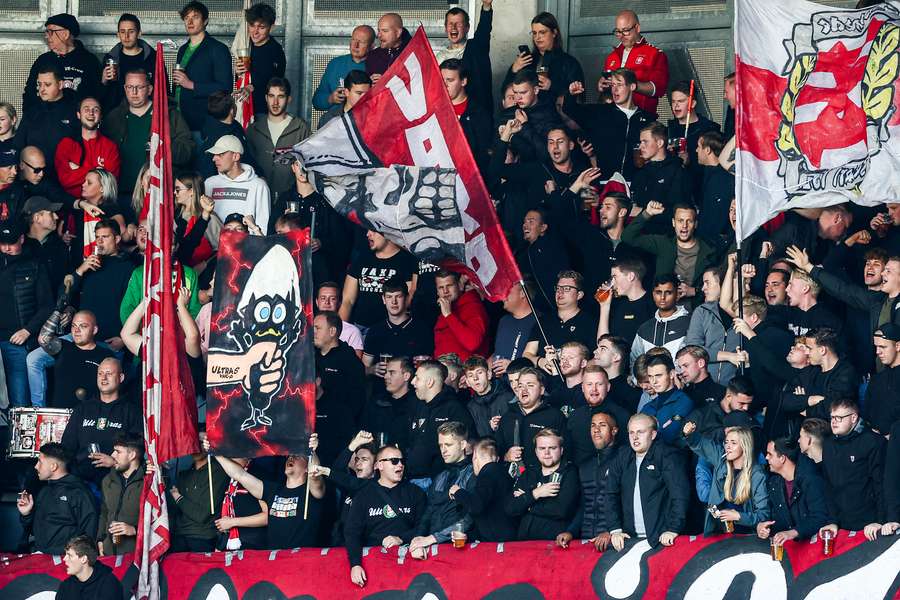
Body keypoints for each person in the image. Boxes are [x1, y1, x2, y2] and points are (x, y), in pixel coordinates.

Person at [211, 435, 326, 550]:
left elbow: (315, 474)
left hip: (301, 560)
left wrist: (312, 451)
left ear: (307, 467)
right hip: (274, 560)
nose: (291, 458)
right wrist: (215, 453)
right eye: (290, 456)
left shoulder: (311, 492)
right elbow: (239, 475)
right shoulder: (273, 490)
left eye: (297, 456)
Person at [344, 445, 427, 588]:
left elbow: (425, 526)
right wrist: (355, 564)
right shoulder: (364, 495)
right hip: (373, 568)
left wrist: (401, 538)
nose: (400, 465)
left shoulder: (415, 493)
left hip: (409, 566)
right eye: (394, 461)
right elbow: (352, 532)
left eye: (402, 461)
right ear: (379, 465)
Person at [606, 414, 688, 549]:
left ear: (653, 434)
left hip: (662, 539)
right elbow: (610, 494)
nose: (635, 437)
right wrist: (615, 529)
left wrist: (673, 529)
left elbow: (679, 494)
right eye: (631, 432)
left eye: (640, 432)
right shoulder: (622, 456)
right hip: (629, 539)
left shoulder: (667, 455)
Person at [60, 357, 143, 484]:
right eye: (100, 374)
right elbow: (67, 447)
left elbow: (136, 452)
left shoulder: (131, 412)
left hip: (116, 481)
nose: (103, 378)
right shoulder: (82, 409)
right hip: (80, 481)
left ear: (120, 378)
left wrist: (114, 462)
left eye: (109, 374)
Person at [564, 68, 653, 181]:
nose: (614, 89)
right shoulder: (599, 113)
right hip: (605, 184)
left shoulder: (647, 118)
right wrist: (571, 95)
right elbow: (569, 109)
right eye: (612, 85)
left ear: (632, 87)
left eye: (619, 85)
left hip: (637, 184)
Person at [0, 219, 53, 406]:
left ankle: (19, 435)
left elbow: (47, 305)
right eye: (2, 243)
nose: (6, 247)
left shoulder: (35, 264)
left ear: (21, 239)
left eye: (11, 243)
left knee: (20, 398)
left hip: (16, 340)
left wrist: (27, 330)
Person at [623, 202, 718, 302]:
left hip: (695, 307)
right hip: (664, 305)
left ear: (695, 224)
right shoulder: (663, 243)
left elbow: (717, 286)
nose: (684, 225)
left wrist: (695, 291)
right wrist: (647, 213)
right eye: (680, 221)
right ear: (673, 222)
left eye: (689, 221)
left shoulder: (709, 251)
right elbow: (628, 236)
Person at [685, 424, 769, 535]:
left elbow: (764, 515)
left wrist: (738, 516)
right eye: (726, 442)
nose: (728, 446)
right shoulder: (721, 460)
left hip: (747, 536)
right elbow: (701, 444)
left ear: (745, 446)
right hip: (720, 533)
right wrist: (690, 434)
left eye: (733, 443)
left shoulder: (757, 475)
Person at [819, 398, 886, 536]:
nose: (834, 421)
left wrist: (880, 520)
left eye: (839, 417)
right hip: (840, 526)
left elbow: (881, 484)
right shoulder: (828, 445)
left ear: (854, 417)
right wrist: (832, 521)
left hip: (870, 525)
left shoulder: (873, 441)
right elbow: (827, 486)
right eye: (832, 417)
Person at [408, 422, 475, 557]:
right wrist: (418, 540)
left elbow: (470, 518)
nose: (443, 450)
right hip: (433, 550)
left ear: (462, 445)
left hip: (461, 550)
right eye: (441, 445)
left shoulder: (473, 474)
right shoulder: (440, 477)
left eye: (448, 445)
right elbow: (428, 513)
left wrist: (432, 538)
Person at [17, 443, 97, 555]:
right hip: (39, 557)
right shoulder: (44, 491)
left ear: (53, 466)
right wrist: (26, 514)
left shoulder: (79, 493)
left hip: (65, 562)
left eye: (40, 461)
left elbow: (89, 534)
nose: (36, 466)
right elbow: (32, 530)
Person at [557, 411, 620, 551]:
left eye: (602, 425)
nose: (596, 430)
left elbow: (629, 504)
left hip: (614, 542)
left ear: (614, 430)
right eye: (593, 425)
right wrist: (571, 532)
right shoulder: (585, 466)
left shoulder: (624, 460)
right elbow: (585, 506)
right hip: (586, 539)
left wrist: (613, 531)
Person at [69, 219, 135, 350]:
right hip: (81, 338)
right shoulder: (89, 264)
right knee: (35, 359)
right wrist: (80, 270)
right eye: (97, 237)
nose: (99, 241)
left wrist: (123, 338)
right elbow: (67, 294)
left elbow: (133, 306)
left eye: (104, 237)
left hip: (109, 340)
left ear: (116, 239)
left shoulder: (128, 267)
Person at [406, 360, 474, 485]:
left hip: (440, 482)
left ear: (430, 382)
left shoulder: (455, 409)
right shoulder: (417, 406)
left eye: (417, 378)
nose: (412, 382)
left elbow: (469, 445)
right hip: (412, 480)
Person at [506, 428, 580, 540]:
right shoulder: (529, 474)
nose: (546, 453)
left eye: (552, 448)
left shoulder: (570, 472)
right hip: (524, 543)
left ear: (561, 450)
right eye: (542, 448)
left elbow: (561, 510)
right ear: (536, 451)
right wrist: (536, 493)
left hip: (555, 543)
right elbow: (511, 508)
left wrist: (528, 505)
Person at [174, 1, 233, 137]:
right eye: (186, 17)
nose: (190, 21)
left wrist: (191, 85)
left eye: (195, 17)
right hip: (180, 121)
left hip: (202, 124)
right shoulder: (182, 50)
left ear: (205, 21)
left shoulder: (218, 49)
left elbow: (225, 87)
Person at [756, 438, 829, 548]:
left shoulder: (811, 480)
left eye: (770, 454)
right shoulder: (774, 484)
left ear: (782, 458)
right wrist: (762, 527)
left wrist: (793, 532)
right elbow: (773, 518)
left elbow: (820, 517)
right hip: (789, 552)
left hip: (814, 549)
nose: (766, 458)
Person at [340, 231, 418, 332]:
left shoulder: (406, 260)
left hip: (390, 330)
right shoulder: (362, 259)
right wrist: (341, 333)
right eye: (367, 230)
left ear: (386, 231)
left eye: (373, 230)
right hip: (360, 328)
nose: (367, 234)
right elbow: (347, 301)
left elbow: (409, 297)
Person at [23, 14, 101, 114]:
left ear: (65, 34)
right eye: (46, 32)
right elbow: (29, 94)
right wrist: (29, 120)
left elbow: (96, 96)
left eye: (51, 32)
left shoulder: (89, 61)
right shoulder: (43, 60)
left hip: (75, 125)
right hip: (44, 122)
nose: (46, 36)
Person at [245, 77, 310, 197]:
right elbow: (247, 164)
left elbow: (308, 166)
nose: (275, 102)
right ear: (266, 98)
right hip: (258, 196)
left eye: (280, 96)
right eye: (271, 96)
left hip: (291, 197)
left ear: (289, 99)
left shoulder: (300, 128)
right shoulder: (253, 129)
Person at [36, 309, 114, 409]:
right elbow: (43, 339)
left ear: (94, 330)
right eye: (74, 326)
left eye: (83, 326)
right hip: (60, 417)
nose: (76, 331)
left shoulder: (105, 356)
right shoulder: (63, 347)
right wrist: (57, 312)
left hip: (90, 416)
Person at [495, 367, 567, 474]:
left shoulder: (555, 416)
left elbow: (566, 452)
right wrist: (506, 456)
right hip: (510, 480)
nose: (524, 390)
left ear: (542, 390)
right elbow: (497, 451)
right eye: (520, 386)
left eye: (530, 385)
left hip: (543, 479)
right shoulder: (507, 418)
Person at [504, 12, 584, 104]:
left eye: (542, 32)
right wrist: (513, 70)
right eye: (534, 33)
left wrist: (552, 86)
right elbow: (506, 92)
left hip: (556, 114)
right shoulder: (528, 61)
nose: (537, 37)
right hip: (528, 114)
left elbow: (578, 95)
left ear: (554, 33)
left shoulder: (569, 62)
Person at [602, 10, 668, 117]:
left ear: (637, 28)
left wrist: (631, 85)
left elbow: (658, 89)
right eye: (618, 31)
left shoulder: (655, 54)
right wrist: (602, 85)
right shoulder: (611, 57)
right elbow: (605, 92)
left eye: (626, 30)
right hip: (612, 118)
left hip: (641, 118)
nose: (621, 36)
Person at [14, 65, 78, 177]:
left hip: (64, 179)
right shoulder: (31, 112)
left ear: (61, 84)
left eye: (47, 85)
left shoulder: (74, 111)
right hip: (35, 178)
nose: (42, 89)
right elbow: (18, 146)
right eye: (39, 84)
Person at [169, 432, 228, 552]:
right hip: (179, 537)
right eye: (194, 442)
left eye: (201, 442)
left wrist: (178, 497)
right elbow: (173, 509)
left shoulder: (218, 472)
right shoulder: (184, 474)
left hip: (202, 538)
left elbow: (201, 515)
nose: (196, 447)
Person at [55, 97, 121, 200]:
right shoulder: (66, 144)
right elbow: (64, 180)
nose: (91, 113)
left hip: (101, 205)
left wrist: (78, 170)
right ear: (78, 115)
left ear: (100, 116)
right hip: (73, 207)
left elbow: (110, 183)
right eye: (86, 109)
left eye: (95, 110)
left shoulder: (110, 147)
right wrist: (98, 170)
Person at [452, 437, 517, 542]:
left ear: (475, 457)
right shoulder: (505, 474)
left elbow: (476, 506)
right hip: (507, 538)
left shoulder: (487, 474)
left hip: (498, 543)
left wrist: (457, 492)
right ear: (497, 458)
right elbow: (489, 514)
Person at [630, 123, 691, 234]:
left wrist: (645, 212)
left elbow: (679, 212)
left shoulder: (677, 171)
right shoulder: (640, 173)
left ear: (660, 143)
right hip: (640, 237)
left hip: (665, 238)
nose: (640, 146)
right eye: (640, 142)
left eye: (645, 141)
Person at [203, 135, 270, 233]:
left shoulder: (259, 185)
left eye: (220, 154)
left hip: (246, 246)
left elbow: (263, 226)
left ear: (236, 156)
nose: (214, 159)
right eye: (214, 155)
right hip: (213, 247)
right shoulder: (209, 183)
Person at [363, 279, 433, 373]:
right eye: (389, 297)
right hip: (382, 386)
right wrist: (371, 370)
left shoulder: (422, 330)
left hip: (413, 386)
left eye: (398, 296)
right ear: (383, 299)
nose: (394, 301)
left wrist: (427, 365)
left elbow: (432, 366)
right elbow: (363, 369)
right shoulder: (375, 331)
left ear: (407, 298)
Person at [437, 1, 493, 111]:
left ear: (467, 27)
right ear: (445, 28)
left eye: (458, 24)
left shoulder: (476, 48)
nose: (453, 27)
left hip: (475, 115)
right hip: (449, 115)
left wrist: (486, 6)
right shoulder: (439, 58)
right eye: (450, 24)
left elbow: (484, 30)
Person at [567, 365, 630, 461]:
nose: (594, 389)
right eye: (589, 384)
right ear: (582, 388)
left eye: (599, 384)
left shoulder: (622, 415)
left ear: (608, 387)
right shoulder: (575, 416)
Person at [515, 207, 571, 313]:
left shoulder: (553, 246)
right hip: (537, 311)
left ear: (543, 227)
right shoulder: (522, 253)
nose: (525, 225)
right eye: (524, 222)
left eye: (531, 221)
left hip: (558, 308)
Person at [440, 58, 491, 173]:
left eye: (450, 80)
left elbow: (483, 155)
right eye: (442, 80)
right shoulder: (434, 110)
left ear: (463, 81)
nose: (445, 85)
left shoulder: (479, 114)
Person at [97, 433, 145, 555]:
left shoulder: (149, 483)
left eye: (118, 452)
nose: (112, 455)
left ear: (132, 455)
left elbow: (165, 520)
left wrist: (134, 530)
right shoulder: (108, 480)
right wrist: (100, 539)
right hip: (109, 553)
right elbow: (104, 512)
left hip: (136, 557)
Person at [314, 311, 365, 421]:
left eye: (318, 328)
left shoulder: (350, 361)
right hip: (309, 424)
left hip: (337, 426)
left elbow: (356, 401)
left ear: (332, 331)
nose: (313, 332)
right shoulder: (309, 356)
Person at [235, 3, 285, 114]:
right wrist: (238, 74)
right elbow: (240, 80)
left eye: (261, 27)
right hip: (243, 106)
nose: (255, 32)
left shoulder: (275, 50)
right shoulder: (246, 45)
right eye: (252, 25)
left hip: (264, 110)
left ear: (271, 28)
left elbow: (274, 82)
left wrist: (252, 87)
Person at [630, 275, 692, 365]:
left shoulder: (690, 324)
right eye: (658, 292)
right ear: (653, 294)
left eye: (668, 292)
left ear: (677, 295)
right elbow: (634, 363)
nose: (662, 297)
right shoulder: (644, 328)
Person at [99, 13, 155, 111]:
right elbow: (100, 95)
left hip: (147, 114)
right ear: (118, 34)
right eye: (122, 32)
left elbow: (164, 90)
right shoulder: (110, 58)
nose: (126, 36)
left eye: (131, 31)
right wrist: (103, 81)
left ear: (139, 33)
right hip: (116, 115)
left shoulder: (153, 57)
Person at [312, 25, 374, 111]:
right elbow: (316, 102)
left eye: (362, 42)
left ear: (372, 46)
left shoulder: (377, 65)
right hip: (335, 120)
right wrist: (331, 99)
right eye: (353, 40)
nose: (356, 45)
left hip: (365, 120)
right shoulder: (335, 64)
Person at [361, 357, 416, 451]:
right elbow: (364, 433)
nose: (386, 376)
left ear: (406, 376)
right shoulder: (376, 402)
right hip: (377, 458)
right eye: (386, 372)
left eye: (392, 372)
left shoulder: (416, 404)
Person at [433, 270, 489, 361]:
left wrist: (449, 315)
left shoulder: (473, 306)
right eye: (441, 288)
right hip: (443, 369)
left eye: (449, 286)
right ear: (437, 292)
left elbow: (472, 343)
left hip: (466, 371)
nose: (445, 291)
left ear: (460, 285)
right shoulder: (446, 308)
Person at [598, 257, 656, 346]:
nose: (612, 283)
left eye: (614, 277)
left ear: (630, 276)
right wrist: (604, 306)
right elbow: (602, 345)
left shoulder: (654, 302)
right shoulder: (617, 306)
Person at [640, 354, 694, 444]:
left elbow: (671, 435)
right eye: (650, 376)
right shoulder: (647, 407)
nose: (654, 381)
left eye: (658, 376)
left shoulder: (684, 402)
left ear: (672, 374)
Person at [23, 195, 69, 292]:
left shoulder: (60, 245)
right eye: (51, 213)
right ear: (37, 218)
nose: (56, 217)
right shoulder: (21, 248)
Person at [56, 535, 122, 599]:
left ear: (84, 559)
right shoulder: (65, 586)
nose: (64, 559)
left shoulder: (109, 584)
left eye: (70, 555)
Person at [463, 355, 513, 438]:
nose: (475, 378)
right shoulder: (470, 407)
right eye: (471, 375)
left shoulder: (508, 397)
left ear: (489, 375)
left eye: (479, 372)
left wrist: (501, 426)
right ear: (467, 382)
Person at [864, 324, 900, 435]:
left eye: (883, 347)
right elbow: (868, 414)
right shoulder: (876, 380)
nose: (877, 352)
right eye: (876, 347)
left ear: (898, 346)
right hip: (876, 443)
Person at [594, 335, 641, 414]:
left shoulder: (631, 389)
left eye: (602, 348)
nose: (595, 351)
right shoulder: (592, 385)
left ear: (616, 357)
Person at [315, 281, 364, 356]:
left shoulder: (352, 332)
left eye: (332, 299)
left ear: (339, 303)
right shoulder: (307, 328)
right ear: (317, 302)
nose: (327, 302)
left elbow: (355, 364)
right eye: (323, 298)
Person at [366, 13, 412, 81]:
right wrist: (369, 83)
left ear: (398, 33)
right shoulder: (373, 56)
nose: (379, 35)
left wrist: (386, 82)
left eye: (385, 31)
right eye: (379, 30)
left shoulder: (413, 54)